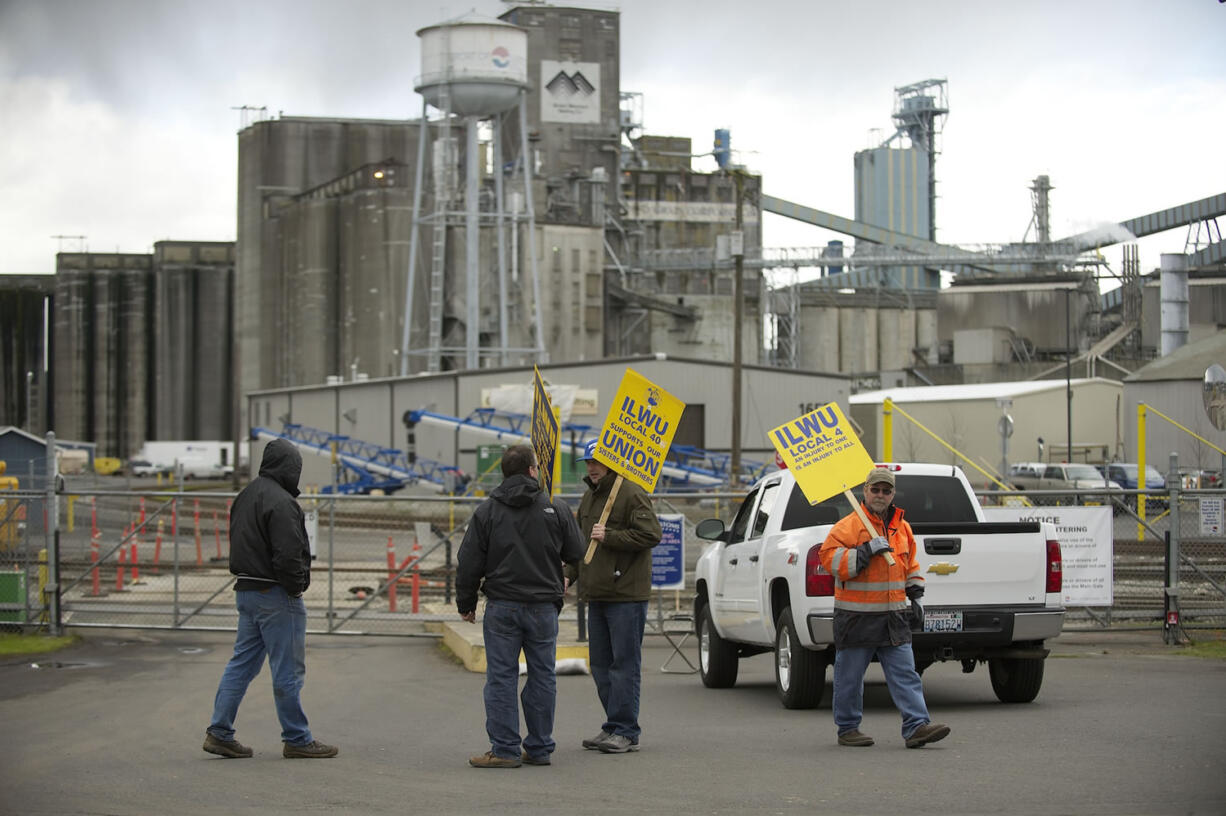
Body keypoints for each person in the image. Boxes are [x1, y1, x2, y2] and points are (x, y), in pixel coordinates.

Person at [203, 439, 338, 759]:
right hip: (276, 595)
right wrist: (296, 587)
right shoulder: (282, 502)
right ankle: (297, 738)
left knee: (241, 664)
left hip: (247, 591)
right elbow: (289, 554)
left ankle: (219, 732)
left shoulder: (246, 495)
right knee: (288, 670)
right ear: (290, 468)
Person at [456, 444, 585, 769]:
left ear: (504, 472)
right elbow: (577, 551)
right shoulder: (555, 506)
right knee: (543, 676)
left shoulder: (488, 511)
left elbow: (469, 562)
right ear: (532, 470)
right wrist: (561, 576)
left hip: (503, 606)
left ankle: (504, 750)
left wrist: (466, 602)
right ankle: (540, 748)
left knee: (501, 677)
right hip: (543, 607)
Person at [818, 466, 950, 749]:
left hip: (893, 616)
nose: (880, 494)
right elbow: (830, 562)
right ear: (865, 491)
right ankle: (848, 729)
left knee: (906, 674)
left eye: (885, 490)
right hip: (856, 617)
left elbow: (910, 564)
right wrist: (865, 552)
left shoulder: (902, 528)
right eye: (875, 489)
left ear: (892, 494)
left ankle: (917, 726)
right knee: (849, 678)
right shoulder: (848, 527)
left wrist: (915, 595)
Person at [565, 439, 662, 754]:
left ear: (612, 463)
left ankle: (625, 730)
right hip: (597, 593)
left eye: (596, 462)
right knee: (601, 664)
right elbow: (582, 546)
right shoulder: (590, 497)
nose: (591, 468)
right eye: (588, 462)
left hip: (625, 595)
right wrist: (569, 574)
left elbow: (651, 534)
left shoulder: (631, 493)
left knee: (624, 664)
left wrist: (611, 536)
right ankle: (613, 725)